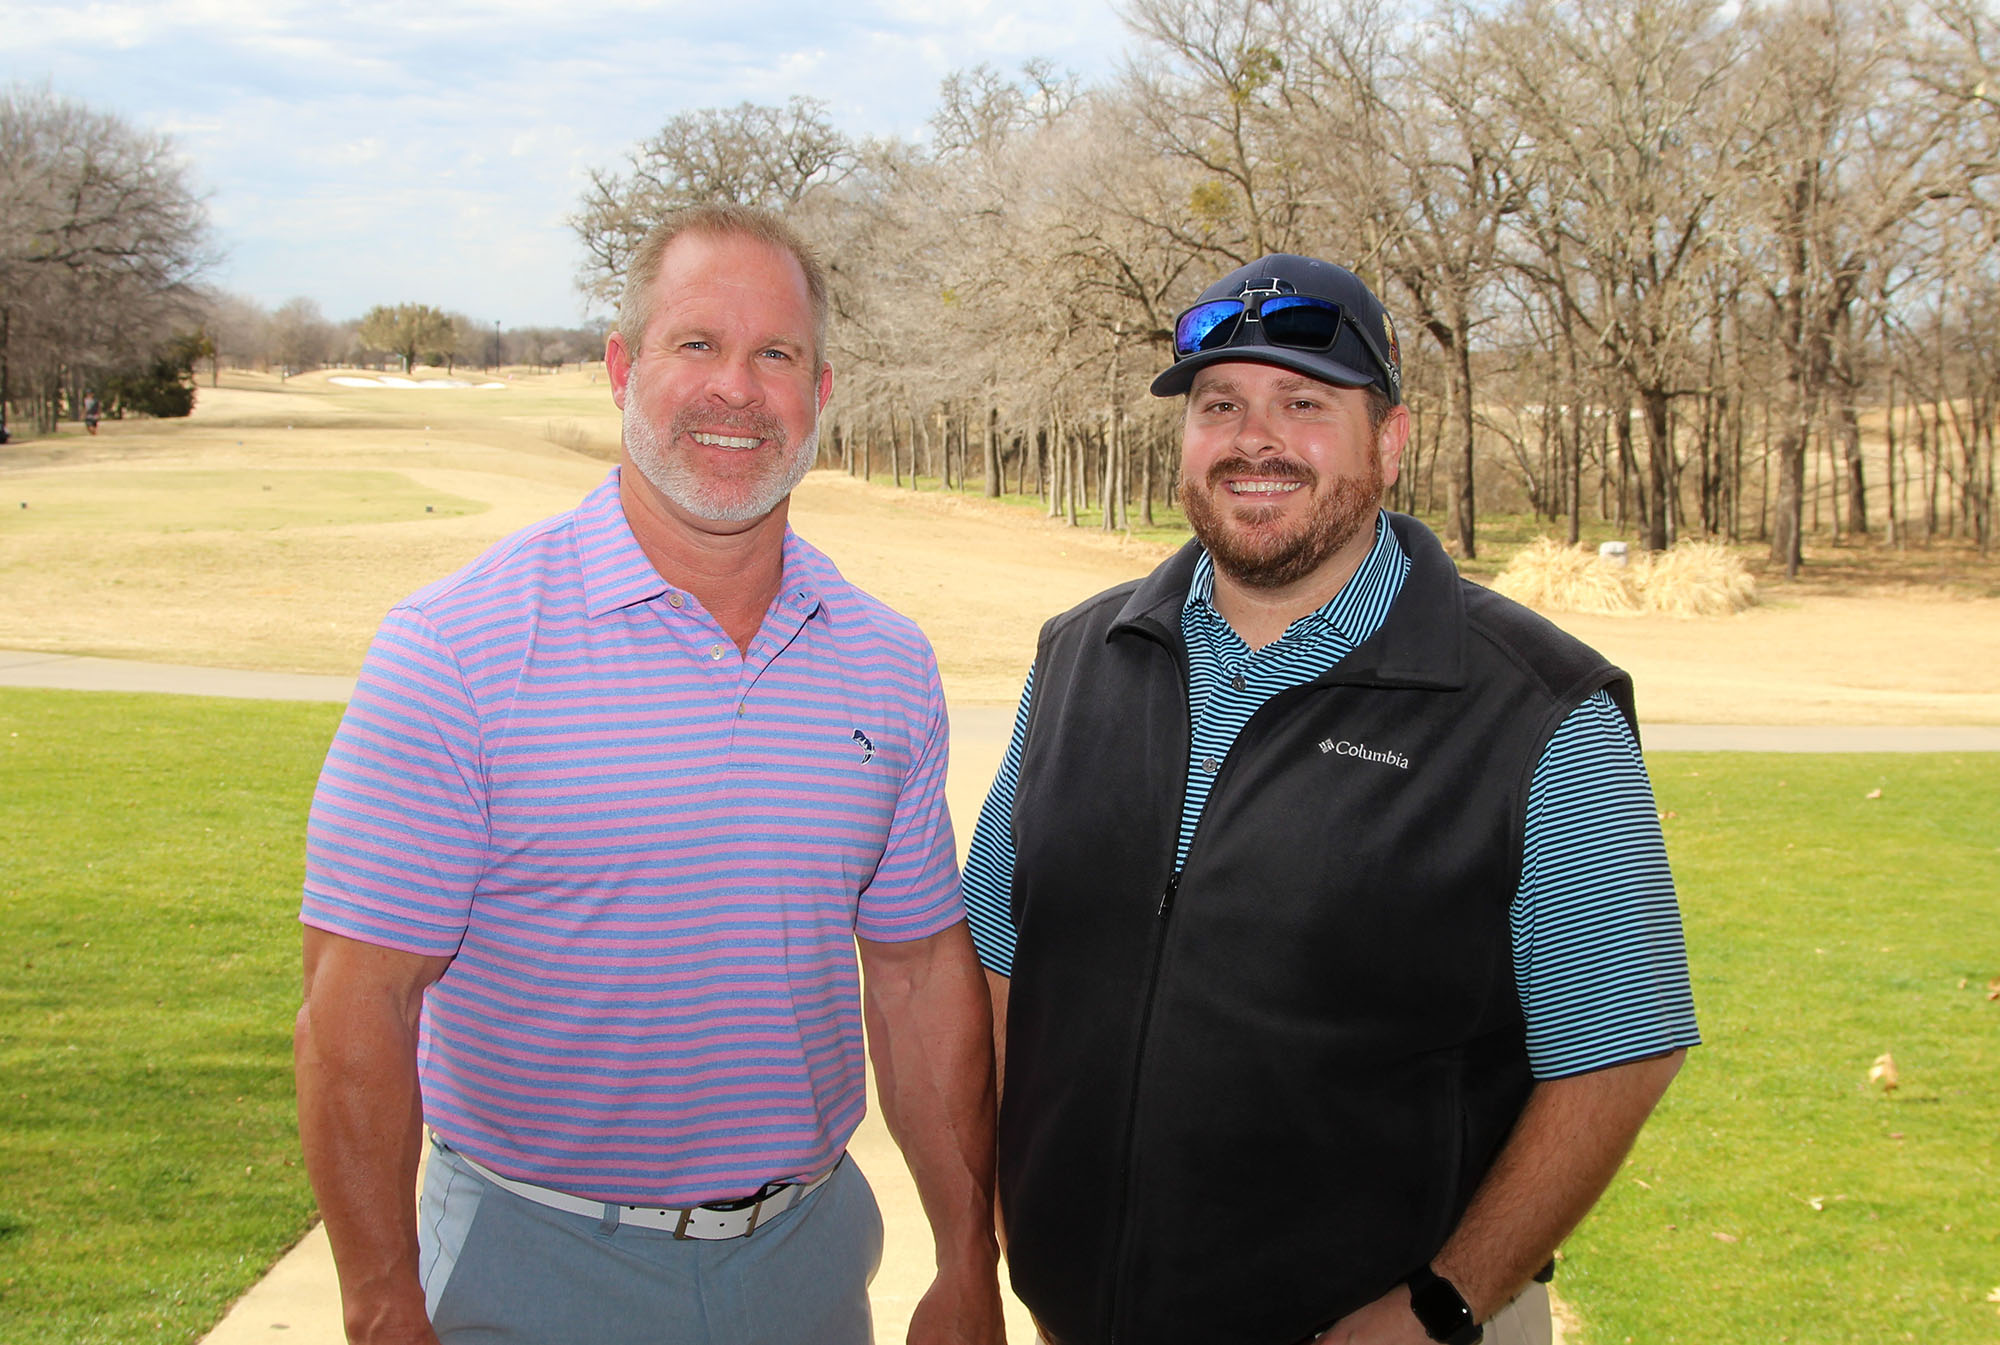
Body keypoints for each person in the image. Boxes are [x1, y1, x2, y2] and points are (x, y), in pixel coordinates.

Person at [295, 204, 1004, 1345]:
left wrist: (966, 1255)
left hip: (809, 1267)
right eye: (695, 344)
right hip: (524, 1267)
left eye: (775, 353)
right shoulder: (455, 648)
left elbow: (919, 978)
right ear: (622, 367)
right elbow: (354, 1007)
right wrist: (383, 1306)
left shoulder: (885, 661)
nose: (736, 388)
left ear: (818, 394)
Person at [962, 254, 1700, 1345]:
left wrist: (1440, 1302)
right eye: (1220, 405)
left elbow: (1622, 1044)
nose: (1253, 440)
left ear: (1388, 442)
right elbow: (996, 965)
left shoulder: (1535, 709)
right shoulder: (1078, 657)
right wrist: (987, 1231)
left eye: (1303, 404)